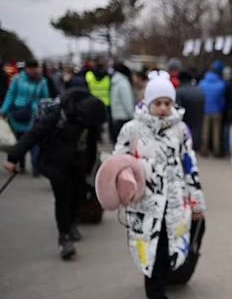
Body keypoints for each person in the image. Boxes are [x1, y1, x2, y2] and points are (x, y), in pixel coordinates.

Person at [112, 70, 206, 299]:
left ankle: (159, 291)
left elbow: (190, 166)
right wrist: (123, 184)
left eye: (168, 102)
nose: (164, 108)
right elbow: (118, 163)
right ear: (148, 101)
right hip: (144, 205)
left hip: (176, 204)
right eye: (158, 102)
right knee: (150, 252)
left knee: (168, 250)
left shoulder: (181, 129)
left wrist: (197, 201)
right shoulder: (132, 129)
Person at [3, 88, 106, 259]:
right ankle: (64, 237)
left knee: (77, 195)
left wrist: (92, 167)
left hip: (79, 163)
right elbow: (33, 135)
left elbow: (92, 145)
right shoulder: (58, 115)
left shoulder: (90, 118)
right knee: (63, 199)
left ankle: (72, 224)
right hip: (56, 164)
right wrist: (13, 158)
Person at [0, 60, 50, 172]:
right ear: (26, 69)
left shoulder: (42, 82)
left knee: (32, 140)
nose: (33, 71)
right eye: (30, 68)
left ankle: (35, 165)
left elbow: (45, 98)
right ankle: (17, 163)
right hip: (17, 114)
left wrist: (46, 112)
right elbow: (10, 95)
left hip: (34, 115)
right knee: (16, 140)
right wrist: (3, 111)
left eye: (35, 69)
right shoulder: (17, 80)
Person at [199, 62, 226, 157]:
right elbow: (223, 99)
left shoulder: (202, 83)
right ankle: (217, 151)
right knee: (216, 132)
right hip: (217, 110)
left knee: (205, 131)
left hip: (206, 110)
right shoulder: (221, 84)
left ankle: (204, 149)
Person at [176, 69, 205, 151]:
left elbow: (177, 107)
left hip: (185, 118)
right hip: (197, 116)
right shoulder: (199, 90)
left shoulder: (179, 92)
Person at [110, 63, 135, 143]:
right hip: (125, 118)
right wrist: (133, 116)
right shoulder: (123, 83)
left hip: (116, 117)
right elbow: (127, 102)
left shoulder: (115, 81)